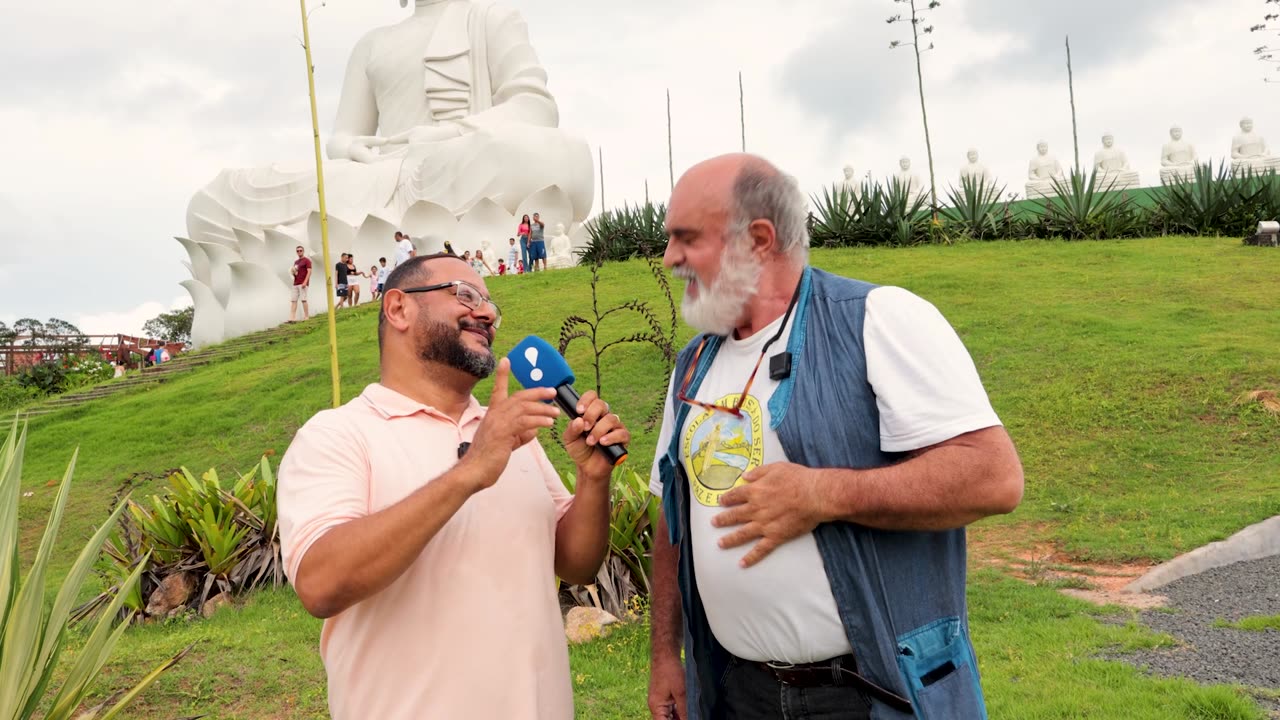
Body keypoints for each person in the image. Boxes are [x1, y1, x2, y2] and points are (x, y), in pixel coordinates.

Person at [647, 154, 1024, 720]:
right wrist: (664, 657)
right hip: (735, 692)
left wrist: (822, 495)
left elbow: (993, 477)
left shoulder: (879, 319)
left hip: (868, 696)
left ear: (759, 238)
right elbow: (672, 521)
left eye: (686, 238)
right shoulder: (694, 364)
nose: (670, 258)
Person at [277, 252, 630, 720]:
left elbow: (576, 563)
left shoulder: (510, 434)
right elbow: (320, 584)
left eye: (489, 304)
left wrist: (592, 480)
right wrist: (470, 472)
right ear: (398, 308)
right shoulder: (337, 435)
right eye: (464, 295)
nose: (486, 313)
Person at [289, 245, 312, 322]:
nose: (299, 252)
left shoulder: (307, 260)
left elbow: (309, 271)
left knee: (303, 299)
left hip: (303, 283)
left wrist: (305, 282)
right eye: (297, 251)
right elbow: (295, 273)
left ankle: (306, 316)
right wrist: (293, 272)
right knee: (293, 300)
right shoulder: (296, 262)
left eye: (300, 250)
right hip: (295, 283)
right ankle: (292, 318)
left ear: (303, 251)